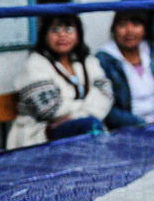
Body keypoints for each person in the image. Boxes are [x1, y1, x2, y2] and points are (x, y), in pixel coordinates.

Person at [9, 14, 113, 149]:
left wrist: (79, 115)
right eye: (55, 30)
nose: (62, 35)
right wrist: (86, 111)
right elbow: (49, 108)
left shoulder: (87, 61)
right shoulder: (34, 64)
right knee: (90, 126)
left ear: (78, 34)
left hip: (84, 127)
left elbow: (106, 94)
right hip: (40, 135)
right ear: (45, 35)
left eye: (69, 30)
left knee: (91, 126)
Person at [96, 9, 154, 129]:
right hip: (128, 130)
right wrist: (142, 125)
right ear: (114, 30)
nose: (129, 31)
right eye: (122, 25)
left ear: (144, 29)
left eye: (136, 25)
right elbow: (106, 108)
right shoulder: (103, 60)